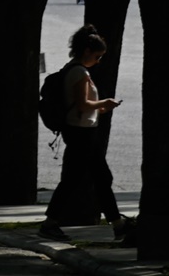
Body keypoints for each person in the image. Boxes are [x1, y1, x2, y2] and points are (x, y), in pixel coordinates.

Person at [39, 25, 133, 244]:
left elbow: (80, 105)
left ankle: (116, 224)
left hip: (79, 131)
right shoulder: (79, 72)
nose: (99, 61)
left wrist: (100, 108)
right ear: (87, 51)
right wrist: (104, 103)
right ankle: (116, 225)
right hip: (81, 134)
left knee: (86, 179)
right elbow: (82, 103)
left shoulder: (72, 69)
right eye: (98, 56)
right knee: (94, 178)